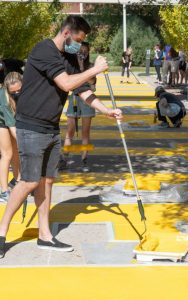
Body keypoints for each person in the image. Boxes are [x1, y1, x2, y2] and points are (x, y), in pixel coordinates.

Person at [0, 15, 122, 259]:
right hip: (31, 125)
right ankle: (1, 233)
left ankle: (45, 236)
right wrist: (95, 69)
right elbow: (66, 84)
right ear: (67, 33)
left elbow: (82, 90)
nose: (80, 45)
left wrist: (106, 110)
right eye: (78, 39)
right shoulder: (43, 49)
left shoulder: (68, 57)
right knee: (29, 182)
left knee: (46, 181)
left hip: (51, 126)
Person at [62, 42, 96, 172]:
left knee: (85, 132)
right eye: (80, 51)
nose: (82, 53)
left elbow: (92, 81)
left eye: (85, 51)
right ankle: (64, 158)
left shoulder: (90, 66)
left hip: (87, 99)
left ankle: (84, 159)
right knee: (70, 131)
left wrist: (83, 68)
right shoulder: (71, 65)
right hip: (74, 98)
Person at [0, 72, 21, 202]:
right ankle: (3, 191)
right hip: (1, 122)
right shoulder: (4, 100)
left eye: (19, 90)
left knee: (16, 153)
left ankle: (18, 181)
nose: (17, 93)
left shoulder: (27, 89)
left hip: (12, 120)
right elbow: (12, 126)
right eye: (13, 92)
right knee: (7, 154)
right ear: (8, 90)